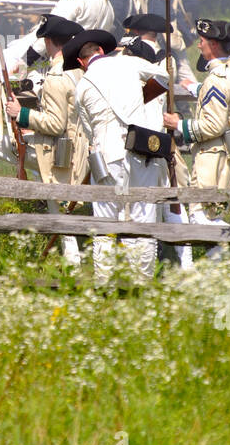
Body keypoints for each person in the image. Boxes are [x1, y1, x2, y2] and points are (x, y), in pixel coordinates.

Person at [68, 28, 167, 284]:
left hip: (107, 155)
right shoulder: (128, 63)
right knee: (143, 220)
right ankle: (141, 284)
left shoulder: (82, 87)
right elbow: (164, 76)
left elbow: (90, 130)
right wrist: (144, 98)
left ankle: (104, 283)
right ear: (102, 50)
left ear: (81, 61)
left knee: (104, 225)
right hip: (141, 150)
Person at [2, 15, 89, 267]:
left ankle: (73, 270)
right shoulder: (76, 70)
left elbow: (55, 124)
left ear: (49, 41)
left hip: (62, 153)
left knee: (63, 218)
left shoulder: (56, 76)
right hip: (77, 146)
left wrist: (22, 114)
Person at [120, 14, 191, 267]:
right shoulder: (162, 63)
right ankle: (178, 264)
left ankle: (154, 263)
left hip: (148, 142)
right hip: (158, 141)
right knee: (167, 205)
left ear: (136, 32)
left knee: (161, 206)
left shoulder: (145, 64)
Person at [164, 19, 230, 216]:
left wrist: (178, 124)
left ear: (214, 45)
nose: (199, 44)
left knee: (204, 216)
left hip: (213, 156)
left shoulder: (215, 81)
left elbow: (213, 126)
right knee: (219, 214)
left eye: (202, 40)